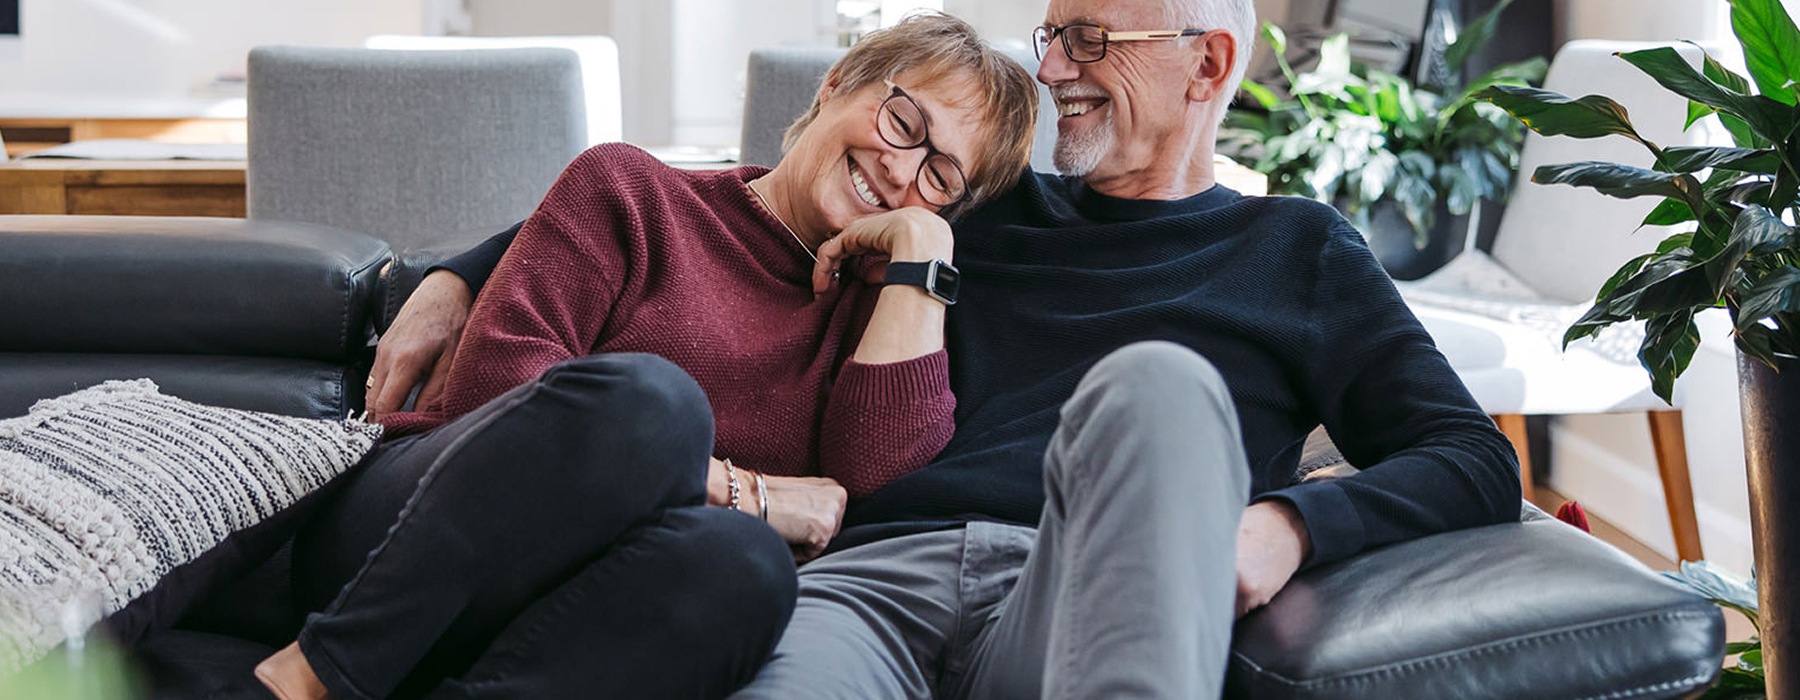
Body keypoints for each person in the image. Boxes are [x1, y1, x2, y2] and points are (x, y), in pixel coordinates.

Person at [374, 0, 1523, 696]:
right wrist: (453, 269)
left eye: (1088, 39)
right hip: (861, 581)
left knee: (1161, 386)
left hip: (1076, 585)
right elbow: (719, 204)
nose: (1056, 67)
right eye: (1051, 35)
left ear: (1208, 64)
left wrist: (1291, 523)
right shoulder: (979, 200)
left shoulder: (1299, 251)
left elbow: (1473, 456)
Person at [253, 12, 1040, 700]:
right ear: (838, 85)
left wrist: (920, 252)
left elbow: (867, 497)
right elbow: (498, 396)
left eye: (941, 177)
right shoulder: (631, 190)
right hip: (419, 530)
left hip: (589, 604)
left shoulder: (882, 319)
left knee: (745, 572)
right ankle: (314, 675)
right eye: (903, 121)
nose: (902, 169)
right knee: (649, 403)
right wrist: (750, 493)